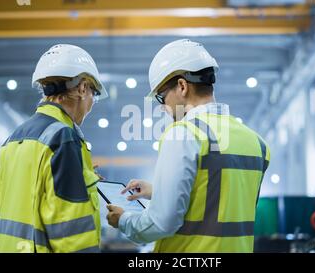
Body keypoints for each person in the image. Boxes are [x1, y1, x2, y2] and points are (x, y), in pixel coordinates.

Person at [107, 39, 270, 253]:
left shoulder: (184, 133)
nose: (164, 107)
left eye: (161, 97)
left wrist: (124, 220)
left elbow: (161, 223)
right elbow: (219, 201)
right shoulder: (256, 143)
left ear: (182, 86)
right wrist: (160, 192)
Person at [0, 44, 107, 253]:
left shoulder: (12, 139)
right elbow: (71, 231)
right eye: (94, 94)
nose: (91, 104)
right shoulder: (63, 138)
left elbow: (0, 205)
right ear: (82, 89)